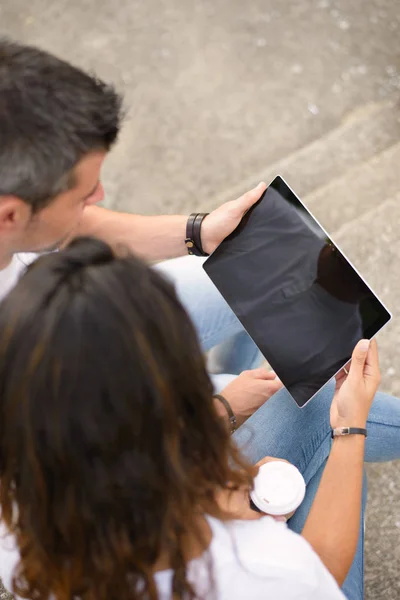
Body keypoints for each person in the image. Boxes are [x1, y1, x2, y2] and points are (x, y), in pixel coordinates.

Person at [0, 238, 399, 600]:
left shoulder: (21, 496)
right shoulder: (248, 567)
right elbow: (318, 575)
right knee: (323, 420)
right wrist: (350, 429)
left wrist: (220, 446)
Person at [0, 37, 281, 418]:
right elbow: (82, 459)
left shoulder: (19, 212)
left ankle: (218, 374)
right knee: (322, 418)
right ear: (11, 216)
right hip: (100, 415)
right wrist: (223, 411)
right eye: (81, 195)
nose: (99, 195)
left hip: (104, 335)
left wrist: (201, 233)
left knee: (256, 267)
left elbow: (71, 226)